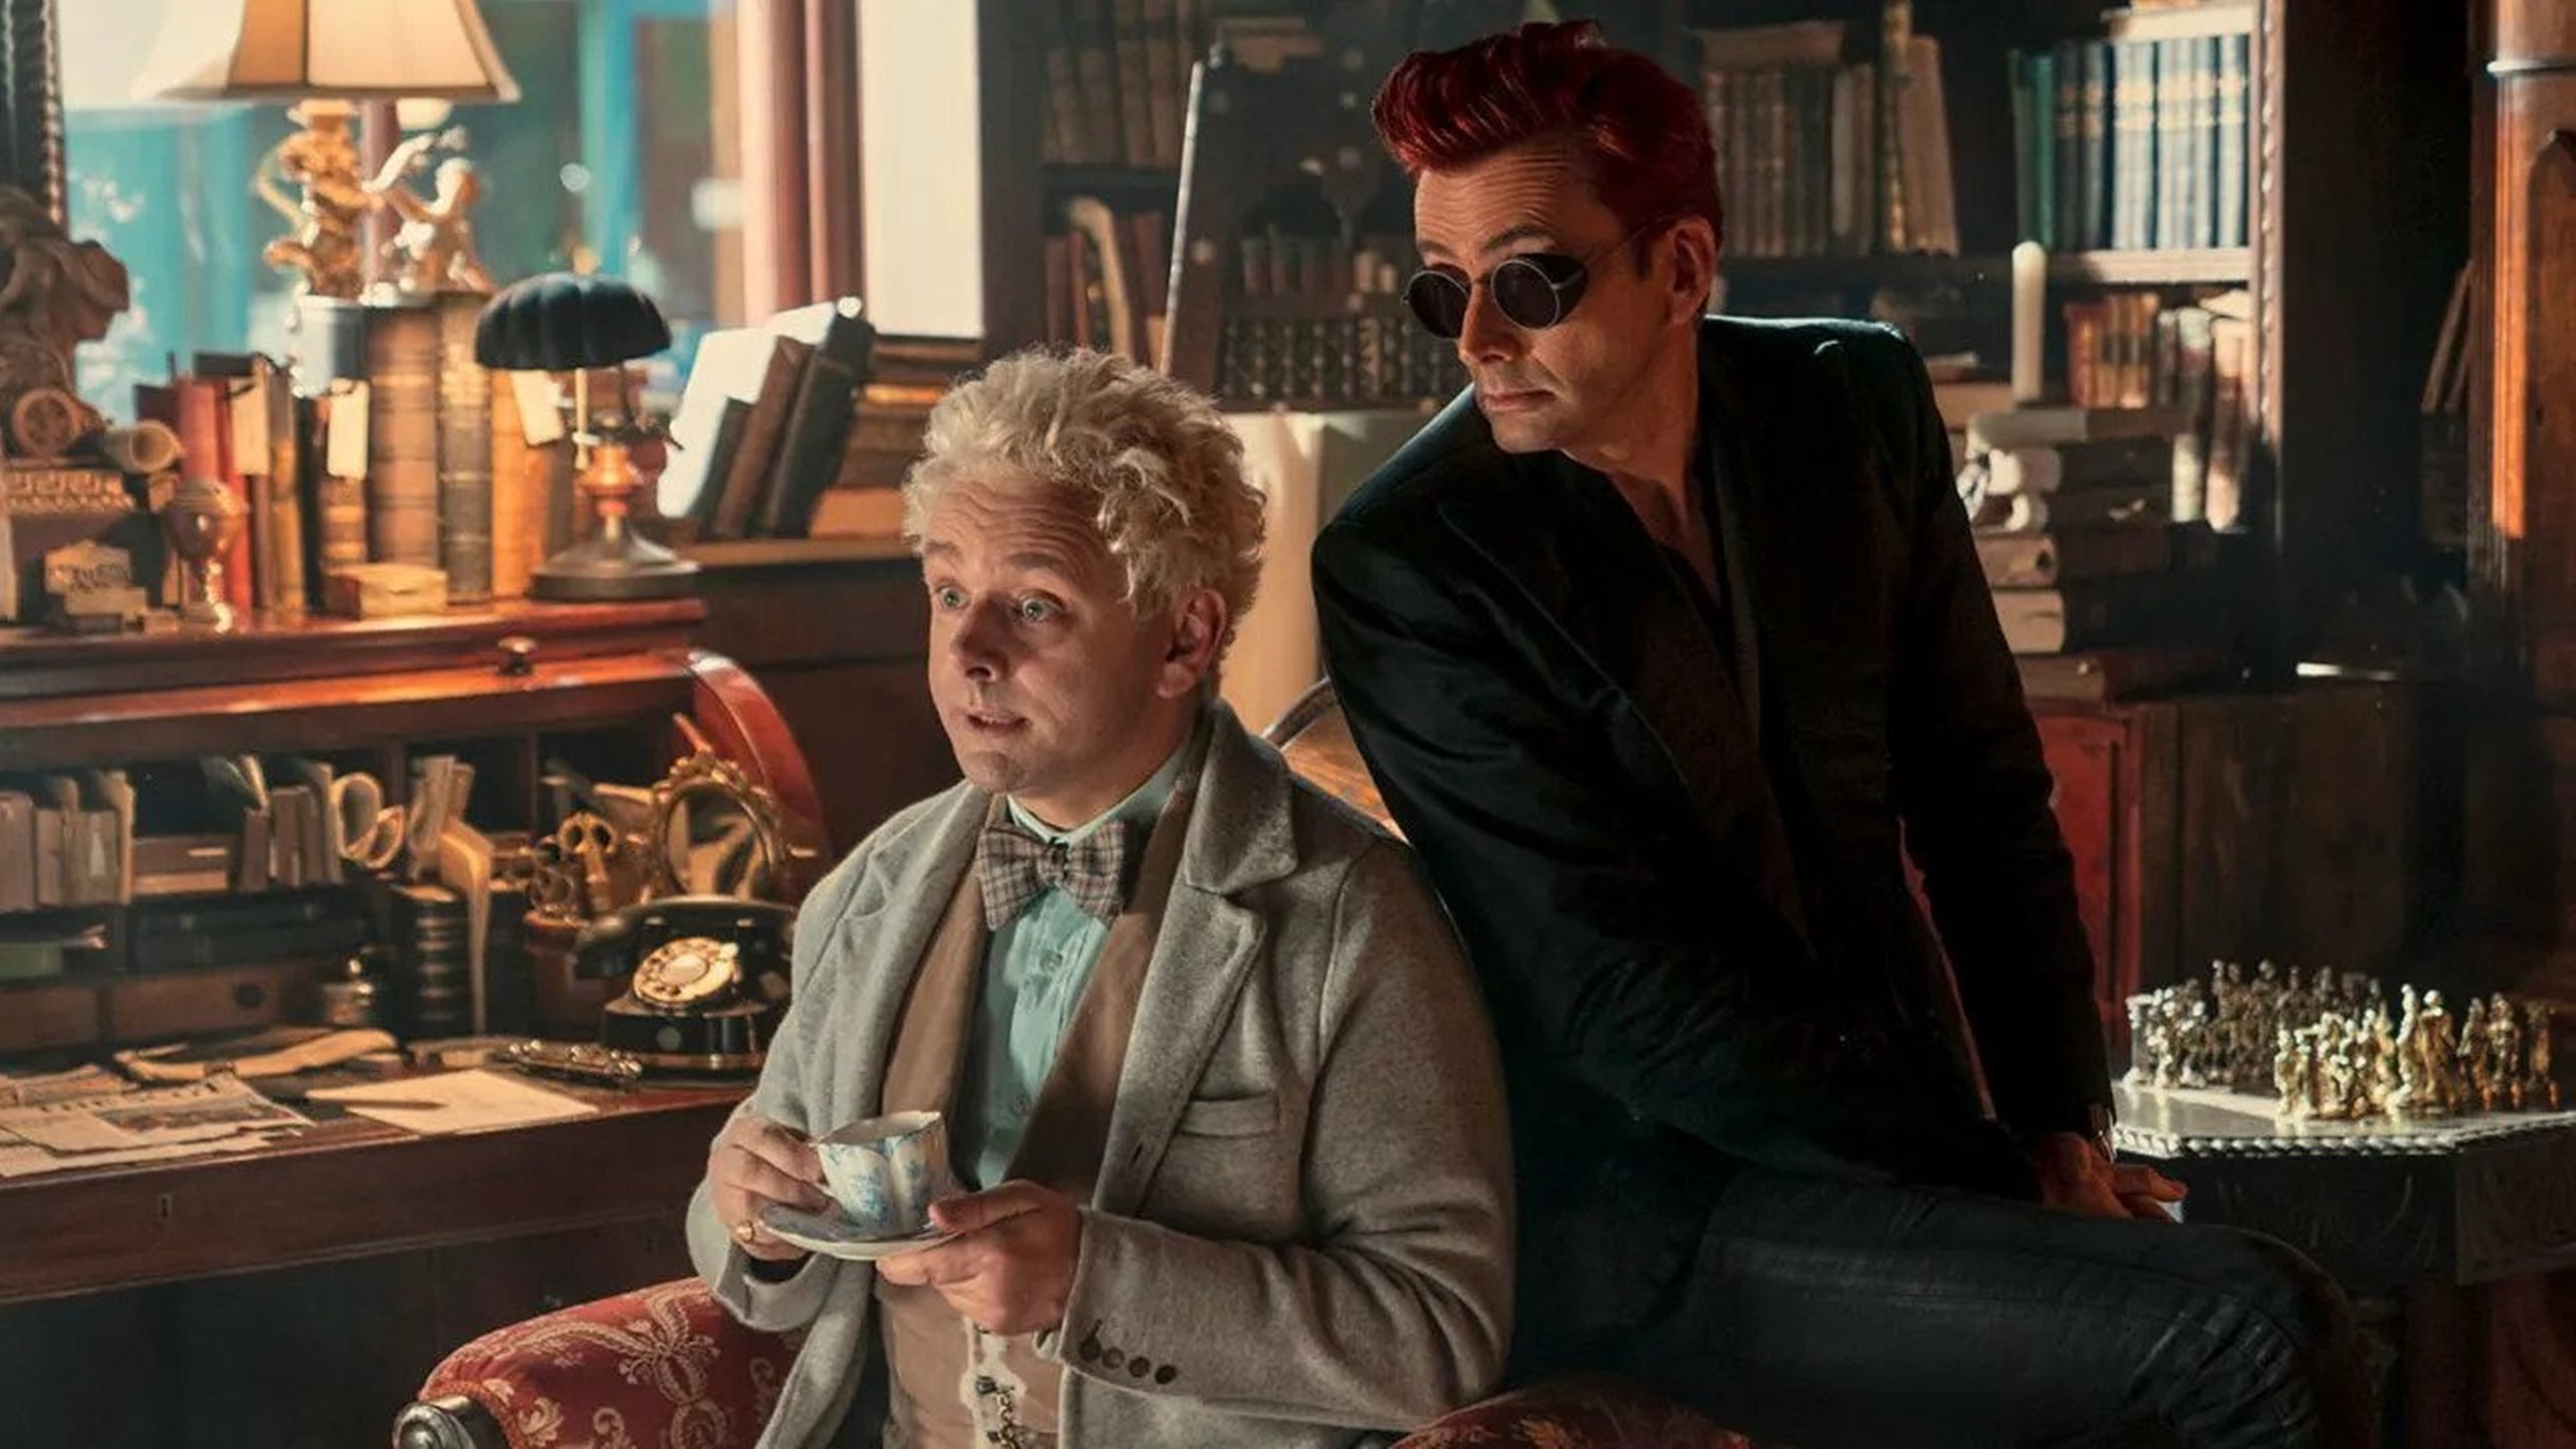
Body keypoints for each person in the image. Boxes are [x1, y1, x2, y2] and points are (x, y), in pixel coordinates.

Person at [1311, 21, 2367, 1446]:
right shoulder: (1413, 558)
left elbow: (1983, 798)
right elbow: (1621, 1002)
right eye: (1444, 291)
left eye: (1529, 282)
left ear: (1681, 267)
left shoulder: (1848, 402)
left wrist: (2063, 1129)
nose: (1479, 342)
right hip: (1664, 1220)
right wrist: (1996, 1175)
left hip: (1915, 1148)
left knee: (2290, 1295)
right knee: (2254, 1330)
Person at [687, 347, 1513, 1448]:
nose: (969, 650)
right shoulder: (870, 888)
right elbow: (751, 1244)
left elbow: (1438, 1336)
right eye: (948, 593)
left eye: (1034, 606)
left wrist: (1094, 1280)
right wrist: (749, 1218)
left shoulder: (1350, 914)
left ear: (1185, 638)